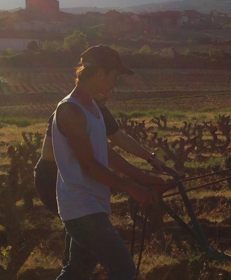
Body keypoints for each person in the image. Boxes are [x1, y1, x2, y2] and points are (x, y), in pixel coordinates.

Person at [49, 45, 173, 280]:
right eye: (115, 76)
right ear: (100, 73)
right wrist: (133, 188)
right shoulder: (70, 111)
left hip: (89, 207)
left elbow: (105, 153)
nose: (116, 83)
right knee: (124, 270)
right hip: (82, 209)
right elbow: (89, 165)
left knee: (76, 273)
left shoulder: (92, 107)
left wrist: (144, 178)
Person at [33, 94, 169, 265]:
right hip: (53, 181)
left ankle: (74, 269)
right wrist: (82, 153)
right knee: (83, 227)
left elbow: (119, 138)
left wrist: (150, 158)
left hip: (82, 181)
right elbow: (47, 153)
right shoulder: (69, 111)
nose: (108, 94)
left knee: (85, 243)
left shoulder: (98, 110)